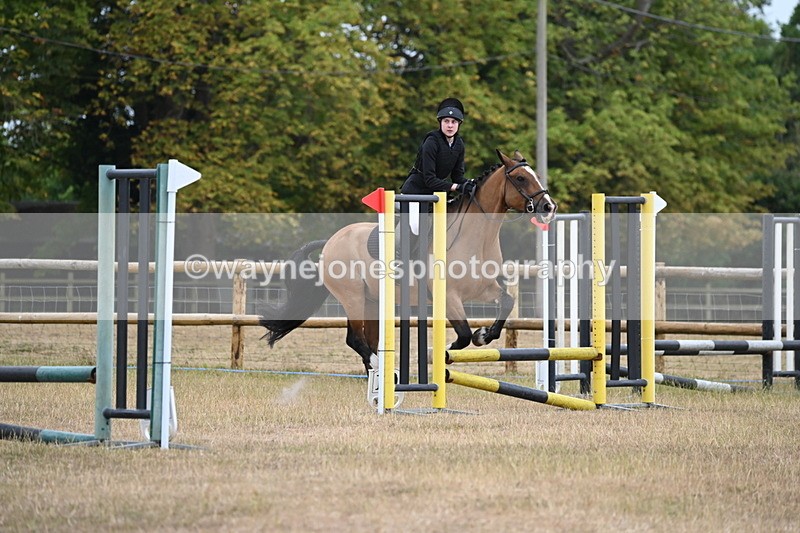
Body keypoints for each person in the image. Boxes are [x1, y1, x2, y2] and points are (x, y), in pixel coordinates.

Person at [401, 98, 477, 197]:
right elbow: (430, 180)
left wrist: (473, 183)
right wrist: (457, 187)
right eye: (446, 121)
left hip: (436, 194)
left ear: (459, 124)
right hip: (415, 193)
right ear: (440, 122)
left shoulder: (459, 144)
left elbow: (457, 177)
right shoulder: (431, 142)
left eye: (454, 122)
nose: (450, 125)